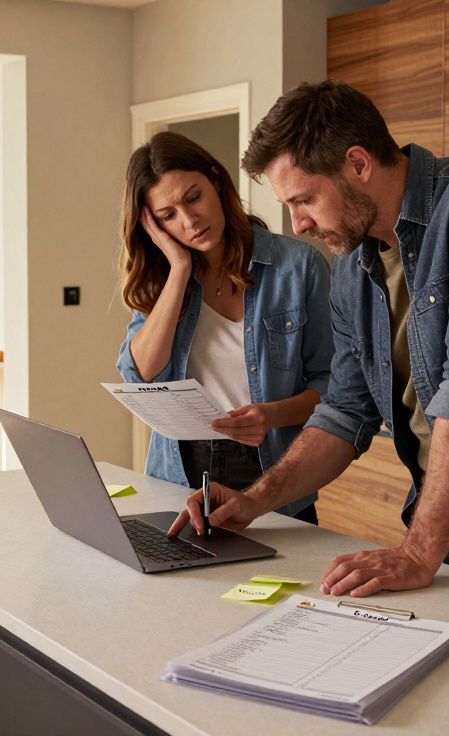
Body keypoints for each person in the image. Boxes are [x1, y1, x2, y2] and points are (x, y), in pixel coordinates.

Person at [167, 81, 449, 605]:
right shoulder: (352, 267)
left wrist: (417, 552)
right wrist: (254, 501)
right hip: (446, 520)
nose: (299, 224)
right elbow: (343, 412)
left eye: (305, 199)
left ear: (358, 163)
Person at [116, 131, 333, 523]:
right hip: (178, 472)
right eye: (168, 216)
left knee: (278, 584)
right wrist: (180, 270)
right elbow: (140, 373)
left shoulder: (299, 268)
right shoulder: (162, 281)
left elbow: (333, 385)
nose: (189, 220)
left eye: (193, 197)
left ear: (216, 181)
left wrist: (271, 415)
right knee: (180, 584)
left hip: (272, 471)